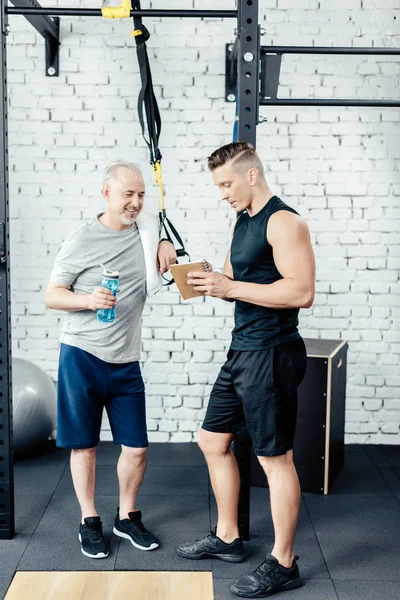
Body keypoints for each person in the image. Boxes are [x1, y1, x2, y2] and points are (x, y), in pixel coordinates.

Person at [176, 142, 315, 598]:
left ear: (251, 176)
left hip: (272, 353)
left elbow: (300, 293)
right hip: (243, 349)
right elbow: (240, 278)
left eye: (226, 184)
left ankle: (284, 563)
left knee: (276, 460)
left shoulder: (284, 222)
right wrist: (203, 278)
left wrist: (230, 285)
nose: (222, 194)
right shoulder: (244, 220)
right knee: (212, 440)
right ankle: (229, 536)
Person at [45, 161, 176, 559]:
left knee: (135, 448)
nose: (135, 202)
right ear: (107, 193)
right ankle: (89, 520)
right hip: (81, 355)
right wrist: (87, 300)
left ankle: (126, 516)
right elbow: (52, 295)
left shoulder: (147, 232)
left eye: (140, 194)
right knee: (84, 446)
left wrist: (168, 246)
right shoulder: (82, 238)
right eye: (127, 194)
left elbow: (165, 240)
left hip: (125, 360)